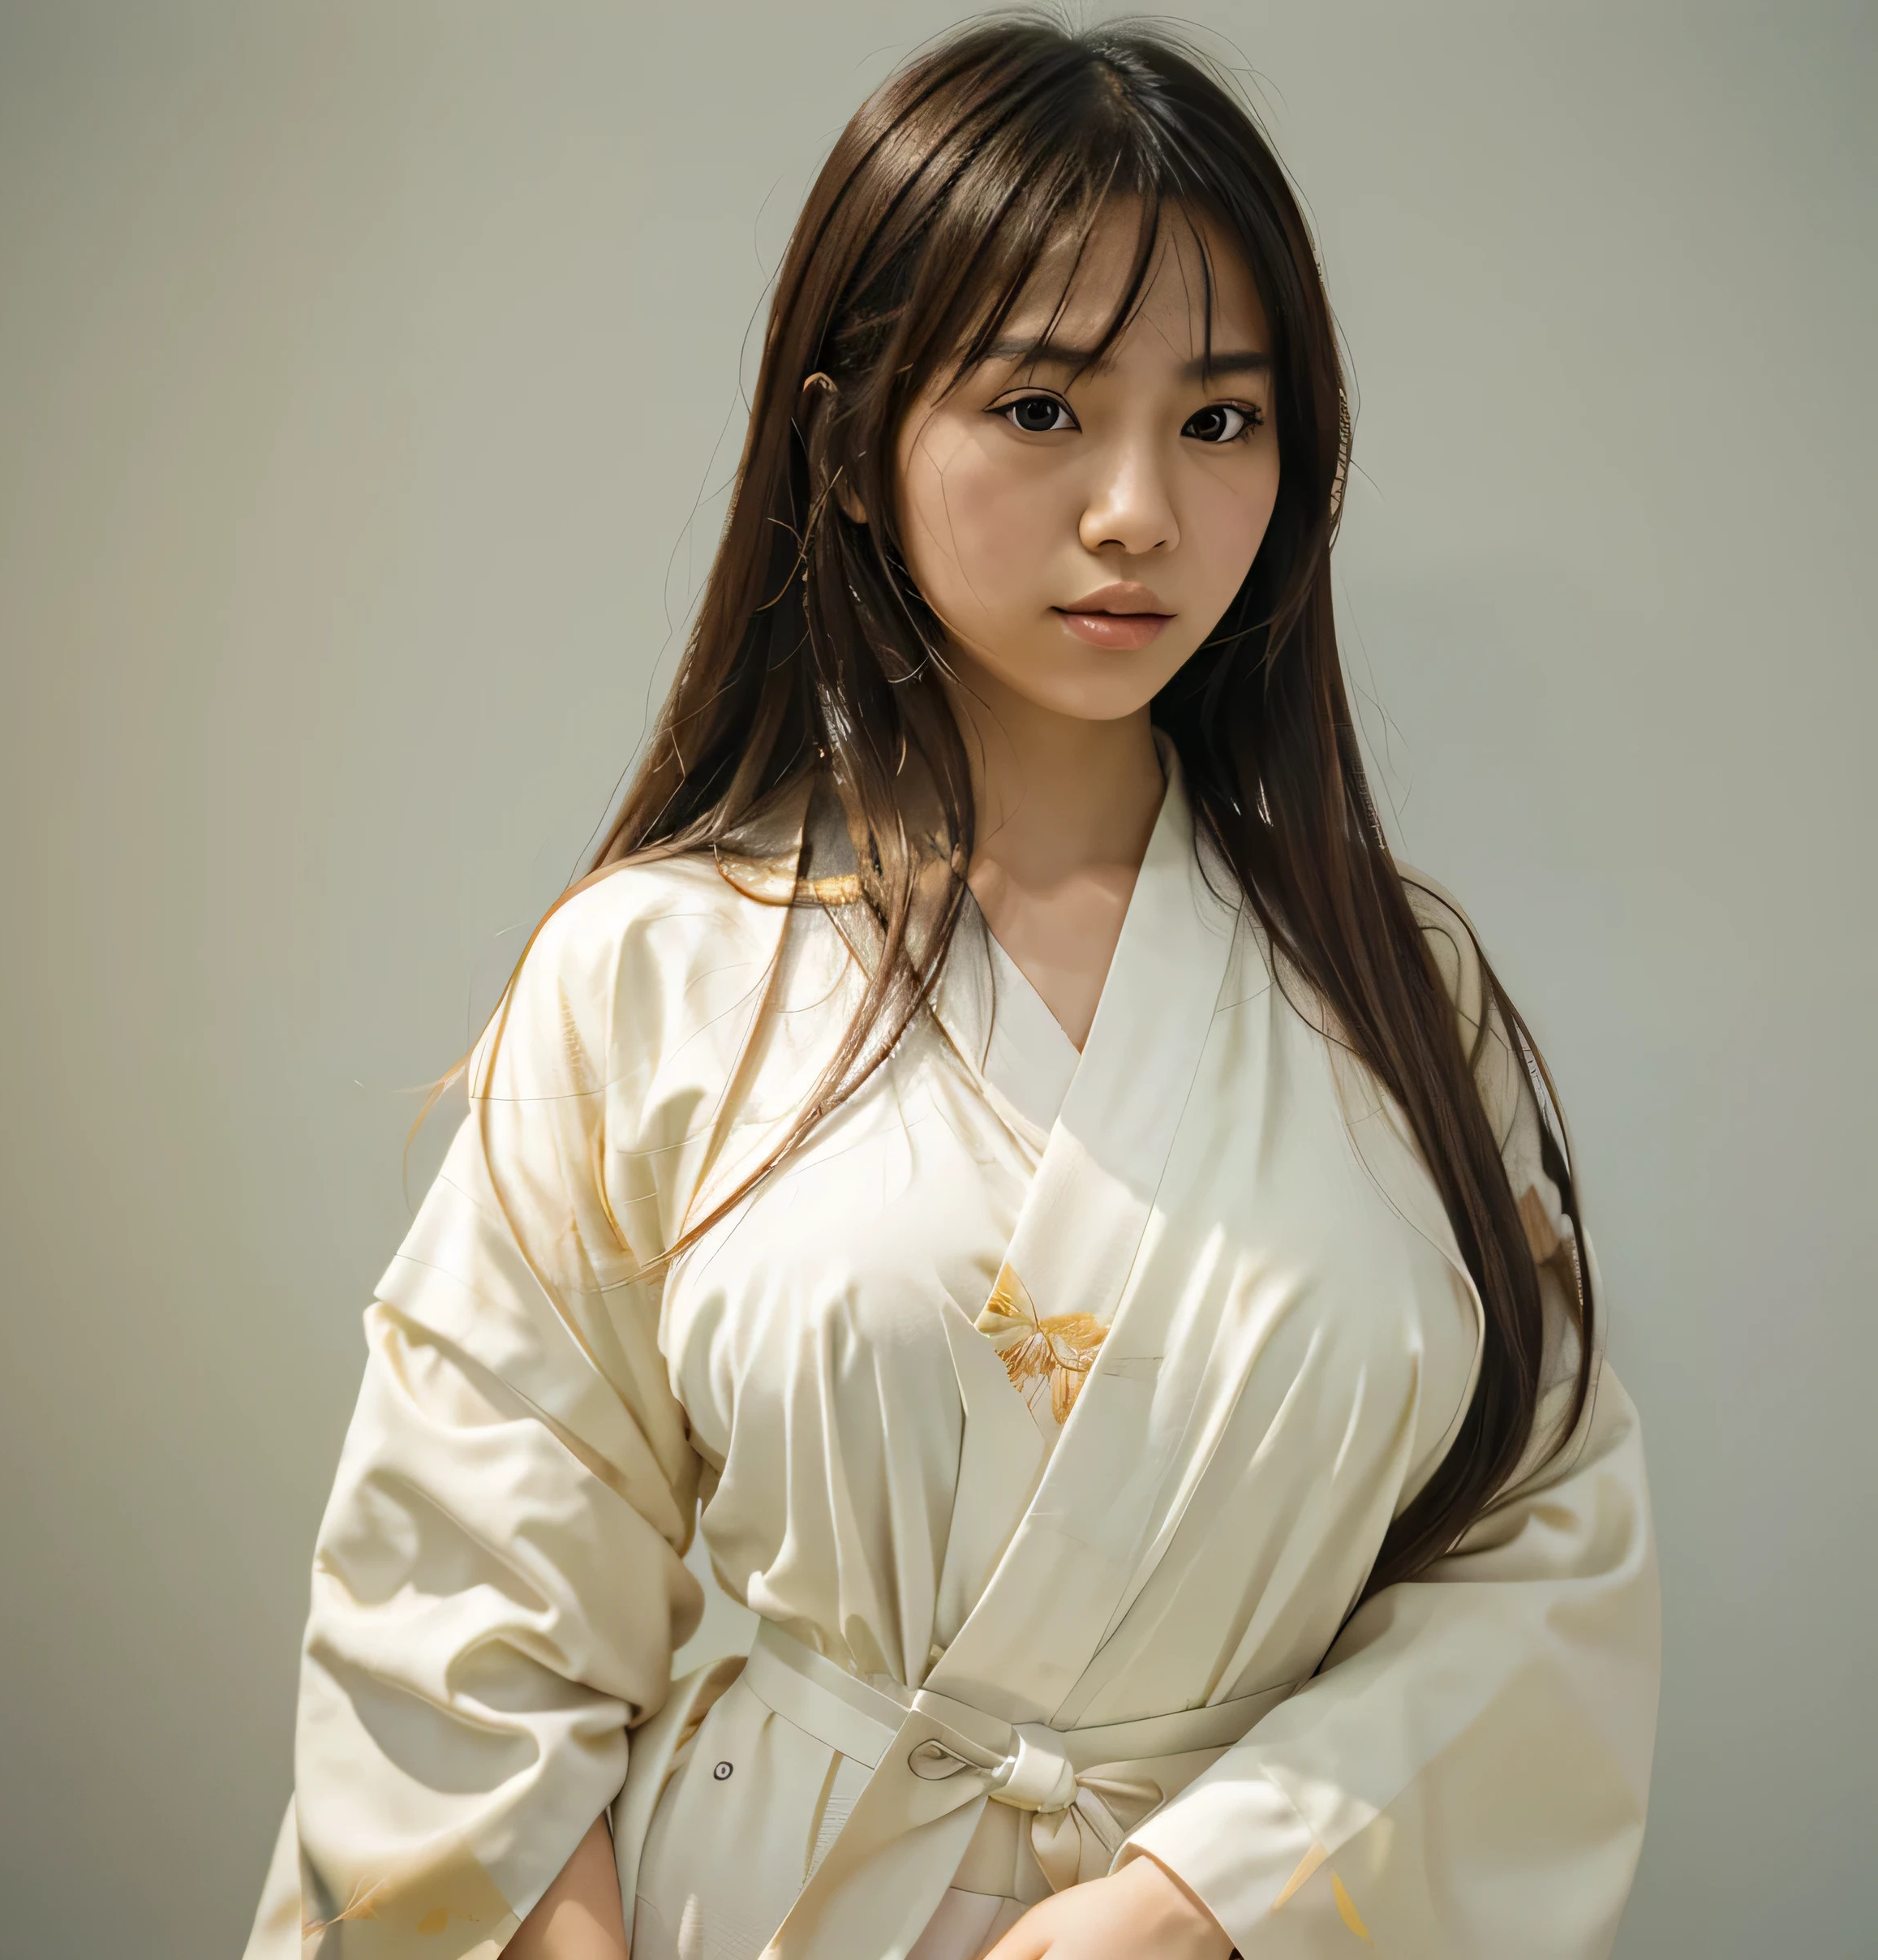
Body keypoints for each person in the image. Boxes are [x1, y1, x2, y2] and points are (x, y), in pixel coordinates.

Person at [243, 16, 1660, 1959]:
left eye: (1219, 419)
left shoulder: (1401, 992)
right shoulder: (654, 972)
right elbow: (456, 1623)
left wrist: (1192, 1900)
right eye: (1040, 407)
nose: (1137, 511)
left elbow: (1541, 1555)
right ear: (847, 440)